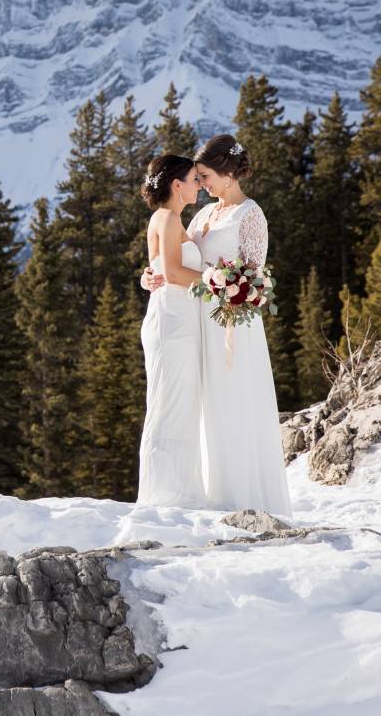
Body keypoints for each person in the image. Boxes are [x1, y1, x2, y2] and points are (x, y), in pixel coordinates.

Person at [143, 134, 291, 516]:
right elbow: (177, 258)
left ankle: (245, 498)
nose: (202, 183)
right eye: (198, 177)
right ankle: (211, 494)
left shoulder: (250, 214)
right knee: (207, 406)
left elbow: (254, 274)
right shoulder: (203, 214)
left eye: (205, 175)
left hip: (232, 325)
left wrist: (233, 288)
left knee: (234, 402)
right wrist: (152, 274)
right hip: (200, 322)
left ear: (227, 174)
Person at [136, 154, 206, 507]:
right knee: (167, 406)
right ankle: (161, 498)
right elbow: (175, 273)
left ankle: (180, 493)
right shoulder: (165, 217)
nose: (199, 185)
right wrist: (217, 282)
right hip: (171, 323)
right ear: (176, 185)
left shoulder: (173, 220)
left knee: (180, 405)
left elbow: (158, 268)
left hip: (180, 320)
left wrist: (147, 276)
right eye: (194, 179)